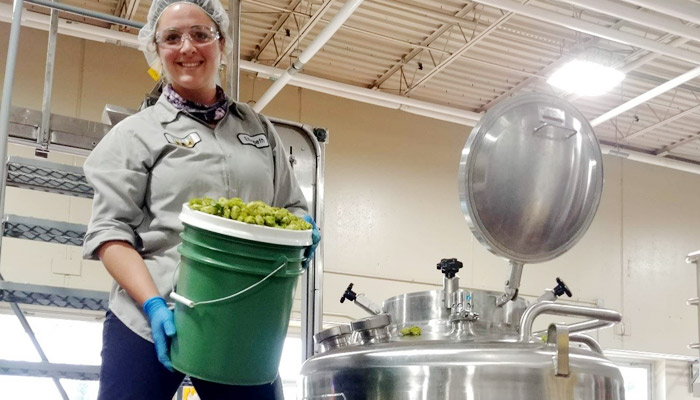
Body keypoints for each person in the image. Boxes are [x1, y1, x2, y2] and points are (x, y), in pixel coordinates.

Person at [82, 0, 320, 398]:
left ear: (222, 44)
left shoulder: (259, 129)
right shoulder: (135, 134)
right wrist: (154, 306)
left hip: (242, 317)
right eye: (172, 38)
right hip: (150, 314)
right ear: (156, 51)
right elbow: (110, 234)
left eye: (200, 34)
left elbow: (292, 208)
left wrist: (304, 231)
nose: (187, 47)